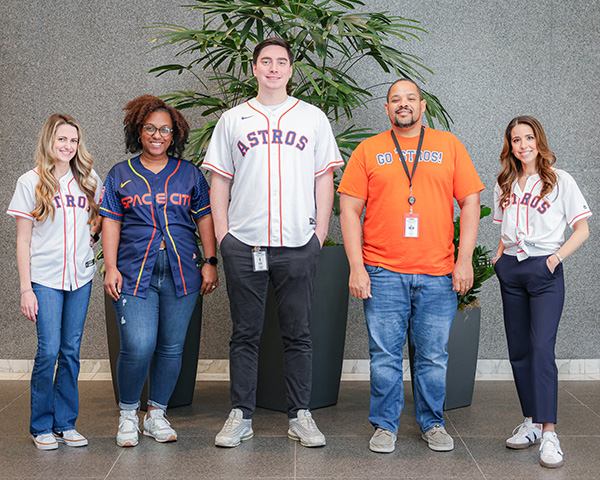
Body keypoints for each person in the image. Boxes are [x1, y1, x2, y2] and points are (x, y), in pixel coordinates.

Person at [203, 37, 343, 448]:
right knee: (244, 333)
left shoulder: (312, 117)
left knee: (298, 333)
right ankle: (240, 415)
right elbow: (219, 181)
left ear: (291, 69)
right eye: (266, 61)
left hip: (298, 243)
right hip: (245, 244)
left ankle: (300, 415)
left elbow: (324, 179)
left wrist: (318, 236)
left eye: (282, 61)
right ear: (254, 68)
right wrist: (226, 237)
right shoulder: (233, 119)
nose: (274, 68)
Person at [338, 79, 484, 454]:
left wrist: (463, 259)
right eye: (395, 100)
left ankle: (432, 423)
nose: (403, 105)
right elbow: (350, 210)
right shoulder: (369, 151)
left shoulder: (448, 146)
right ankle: (385, 426)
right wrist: (357, 266)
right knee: (384, 355)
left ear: (422, 106)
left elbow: (470, 201)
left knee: (433, 356)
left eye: (410, 99)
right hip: (383, 272)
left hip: (437, 273)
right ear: (387, 109)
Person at [100, 94, 218, 448]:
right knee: (138, 344)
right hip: (135, 272)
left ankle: (156, 415)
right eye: (150, 128)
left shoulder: (190, 174)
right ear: (139, 130)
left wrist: (210, 262)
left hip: (184, 271)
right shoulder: (120, 174)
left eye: (165, 129)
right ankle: (127, 415)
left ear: (175, 134)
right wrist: (109, 267)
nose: (157, 135)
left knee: (171, 347)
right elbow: (110, 222)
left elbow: (206, 218)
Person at [492, 115, 590, 468]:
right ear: (510, 146)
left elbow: (582, 229)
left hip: (544, 270)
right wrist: (498, 259)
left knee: (540, 349)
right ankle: (531, 423)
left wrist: (555, 259)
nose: (523, 145)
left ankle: (550, 433)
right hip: (512, 271)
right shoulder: (504, 182)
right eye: (516, 140)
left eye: (529, 138)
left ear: (539, 140)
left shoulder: (559, 180)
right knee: (519, 351)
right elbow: (503, 230)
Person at [7, 114, 102, 450]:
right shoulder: (29, 182)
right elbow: (23, 240)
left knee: (71, 350)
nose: (68, 146)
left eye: (73, 141)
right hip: (44, 278)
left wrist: (90, 237)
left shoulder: (89, 179)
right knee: (48, 350)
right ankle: (40, 426)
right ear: (49, 141)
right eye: (62, 140)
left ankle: (65, 423)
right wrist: (25, 288)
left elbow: (99, 220)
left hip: (80, 277)